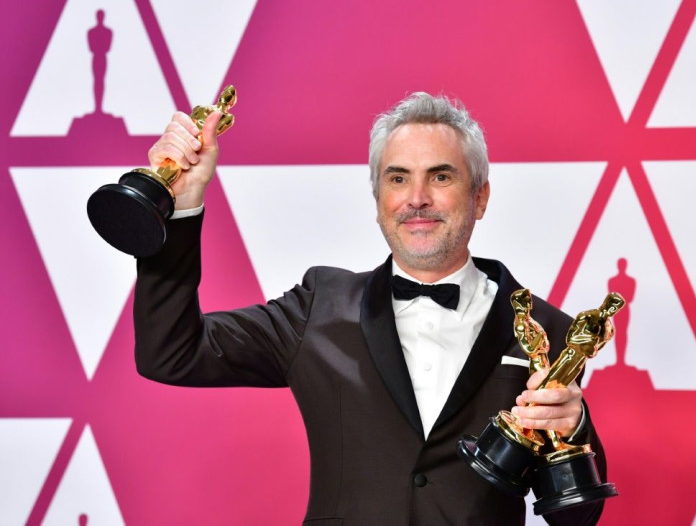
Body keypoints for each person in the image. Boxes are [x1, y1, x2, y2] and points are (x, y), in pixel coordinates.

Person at [134, 93, 608, 525]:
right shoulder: (317, 307)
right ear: (379, 200)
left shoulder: (550, 330)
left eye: (440, 176)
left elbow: (576, 519)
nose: (416, 198)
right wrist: (181, 205)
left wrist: (574, 426)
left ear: (479, 197)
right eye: (398, 178)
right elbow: (171, 352)